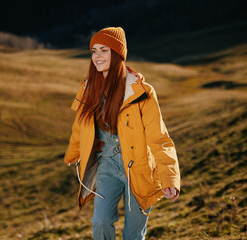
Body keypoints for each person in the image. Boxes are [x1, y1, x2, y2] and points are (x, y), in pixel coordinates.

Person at [64, 27, 180, 240]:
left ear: (117, 54)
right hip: (106, 165)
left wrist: (170, 177)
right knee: (100, 222)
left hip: (139, 168)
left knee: (133, 234)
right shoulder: (88, 89)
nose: (97, 57)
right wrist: (73, 153)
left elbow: (159, 138)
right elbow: (80, 126)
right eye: (94, 51)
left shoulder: (142, 92)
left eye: (104, 50)